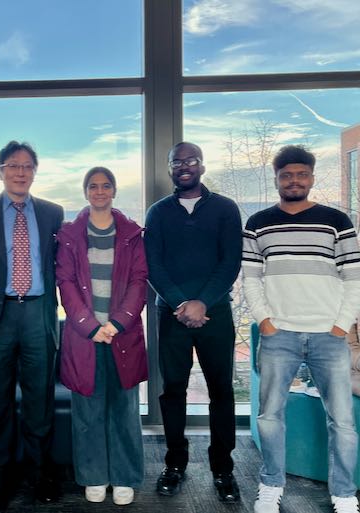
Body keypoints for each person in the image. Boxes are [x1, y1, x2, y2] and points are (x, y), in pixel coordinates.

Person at [243, 144, 360, 513]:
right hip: (279, 335)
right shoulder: (258, 223)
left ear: (311, 177)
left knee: (342, 421)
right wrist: (265, 322)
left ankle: (344, 494)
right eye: (286, 175)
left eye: (301, 174)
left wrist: (340, 326)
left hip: (329, 335)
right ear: (276, 179)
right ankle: (270, 485)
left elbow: (354, 277)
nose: (294, 180)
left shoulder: (337, 221)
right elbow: (250, 279)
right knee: (270, 417)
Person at [0, 140, 64, 511]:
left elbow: (58, 262)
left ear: (35, 172)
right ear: (0, 171)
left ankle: (41, 472)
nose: (20, 172)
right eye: (13, 165)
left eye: (27, 166)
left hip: (39, 313)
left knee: (40, 399)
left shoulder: (53, 212)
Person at [144, 141, 242, 502]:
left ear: (202, 166)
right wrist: (181, 304)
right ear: (170, 168)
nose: (184, 167)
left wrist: (202, 302)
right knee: (173, 391)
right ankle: (174, 464)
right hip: (171, 315)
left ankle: (223, 468)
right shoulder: (157, 212)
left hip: (216, 313)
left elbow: (231, 261)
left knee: (221, 391)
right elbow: (153, 264)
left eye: (191, 161)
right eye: (177, 162)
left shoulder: (225, 209)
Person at [56, 167, 148, 506]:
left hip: (122, 334)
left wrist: (117, 323)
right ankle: (94, 475)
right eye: (93, 186)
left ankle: (125, 477)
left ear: (114, 190)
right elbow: (65, 282)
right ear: (85, 192)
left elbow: (139, 280)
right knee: (88, 409)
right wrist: (90, 326)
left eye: (105, 185)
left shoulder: (131, 233)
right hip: (84, 336)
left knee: (124, 408)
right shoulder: (69, 234)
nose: (99, 191)